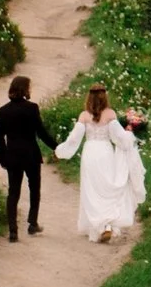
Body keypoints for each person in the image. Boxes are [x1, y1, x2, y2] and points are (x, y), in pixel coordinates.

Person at [54, 83, 145, 242]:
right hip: (105, 153)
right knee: (106, 189)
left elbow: (74, 139)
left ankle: (98, 226)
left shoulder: (83, 116)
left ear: (89, 97)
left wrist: (61, 150)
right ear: (105, 97)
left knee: (92, 190)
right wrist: (130, 133)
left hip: (90, 154)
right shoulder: (110, 114)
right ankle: (107, 225)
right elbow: (120, 139)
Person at [0, 75, 53, 241]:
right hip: (31, 155)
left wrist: (2, 158)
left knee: (13, 193)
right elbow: (41, 133)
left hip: (12, 155)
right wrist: (57, 147)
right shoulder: (32, 108)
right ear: (25, 89)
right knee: (34, 189)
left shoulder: (3, 110)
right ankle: (32, 223)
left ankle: (13, 231)